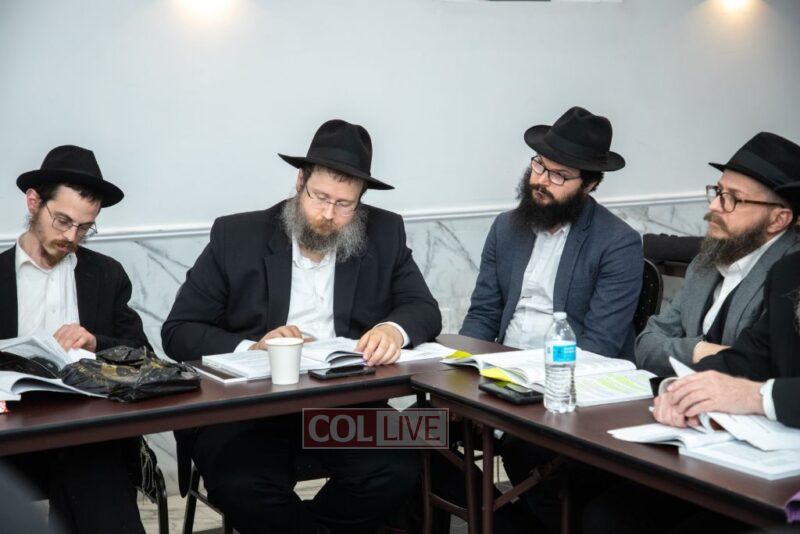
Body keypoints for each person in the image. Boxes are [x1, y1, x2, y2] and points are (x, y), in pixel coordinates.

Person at [162, 119, 441, 534]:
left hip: (341, 408)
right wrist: (254, 346)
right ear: (300, 182)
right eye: (320, 197)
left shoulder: (384, 232)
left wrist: (392, 329)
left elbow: (423, 308)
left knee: (398, 468)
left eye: (344, 204)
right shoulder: (236, 235)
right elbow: (178, 331)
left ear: (360, 201)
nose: (328, 214)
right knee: (243, 486)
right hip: (249, 412)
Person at [0, 145, 149, 533]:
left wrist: (96, 342)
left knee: (95, 471)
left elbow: (143, 355)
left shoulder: (106, 275)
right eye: (63, 221)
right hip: (9, 436)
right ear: (34, 202)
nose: (71, 236)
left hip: (88, 433)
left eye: (84, 227)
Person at [460, 106, 642, 360]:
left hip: (568, 369)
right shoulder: (505, 227)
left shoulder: (618, 243)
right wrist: (460, 363)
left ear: (589, 185)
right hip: (503, 364)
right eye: (540, 165)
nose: (542, 181)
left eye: (559, 176)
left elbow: (600, 343)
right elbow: (483, 315)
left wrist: (543, 376)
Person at [636, 132, 800, 376]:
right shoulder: (706, 260)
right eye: (718, 191)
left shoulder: (790, 276)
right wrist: (699, 350)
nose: (713, 205)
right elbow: (646, 346)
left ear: (778, 219)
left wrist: (681, 352)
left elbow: (760, 369)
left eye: (733, 198)